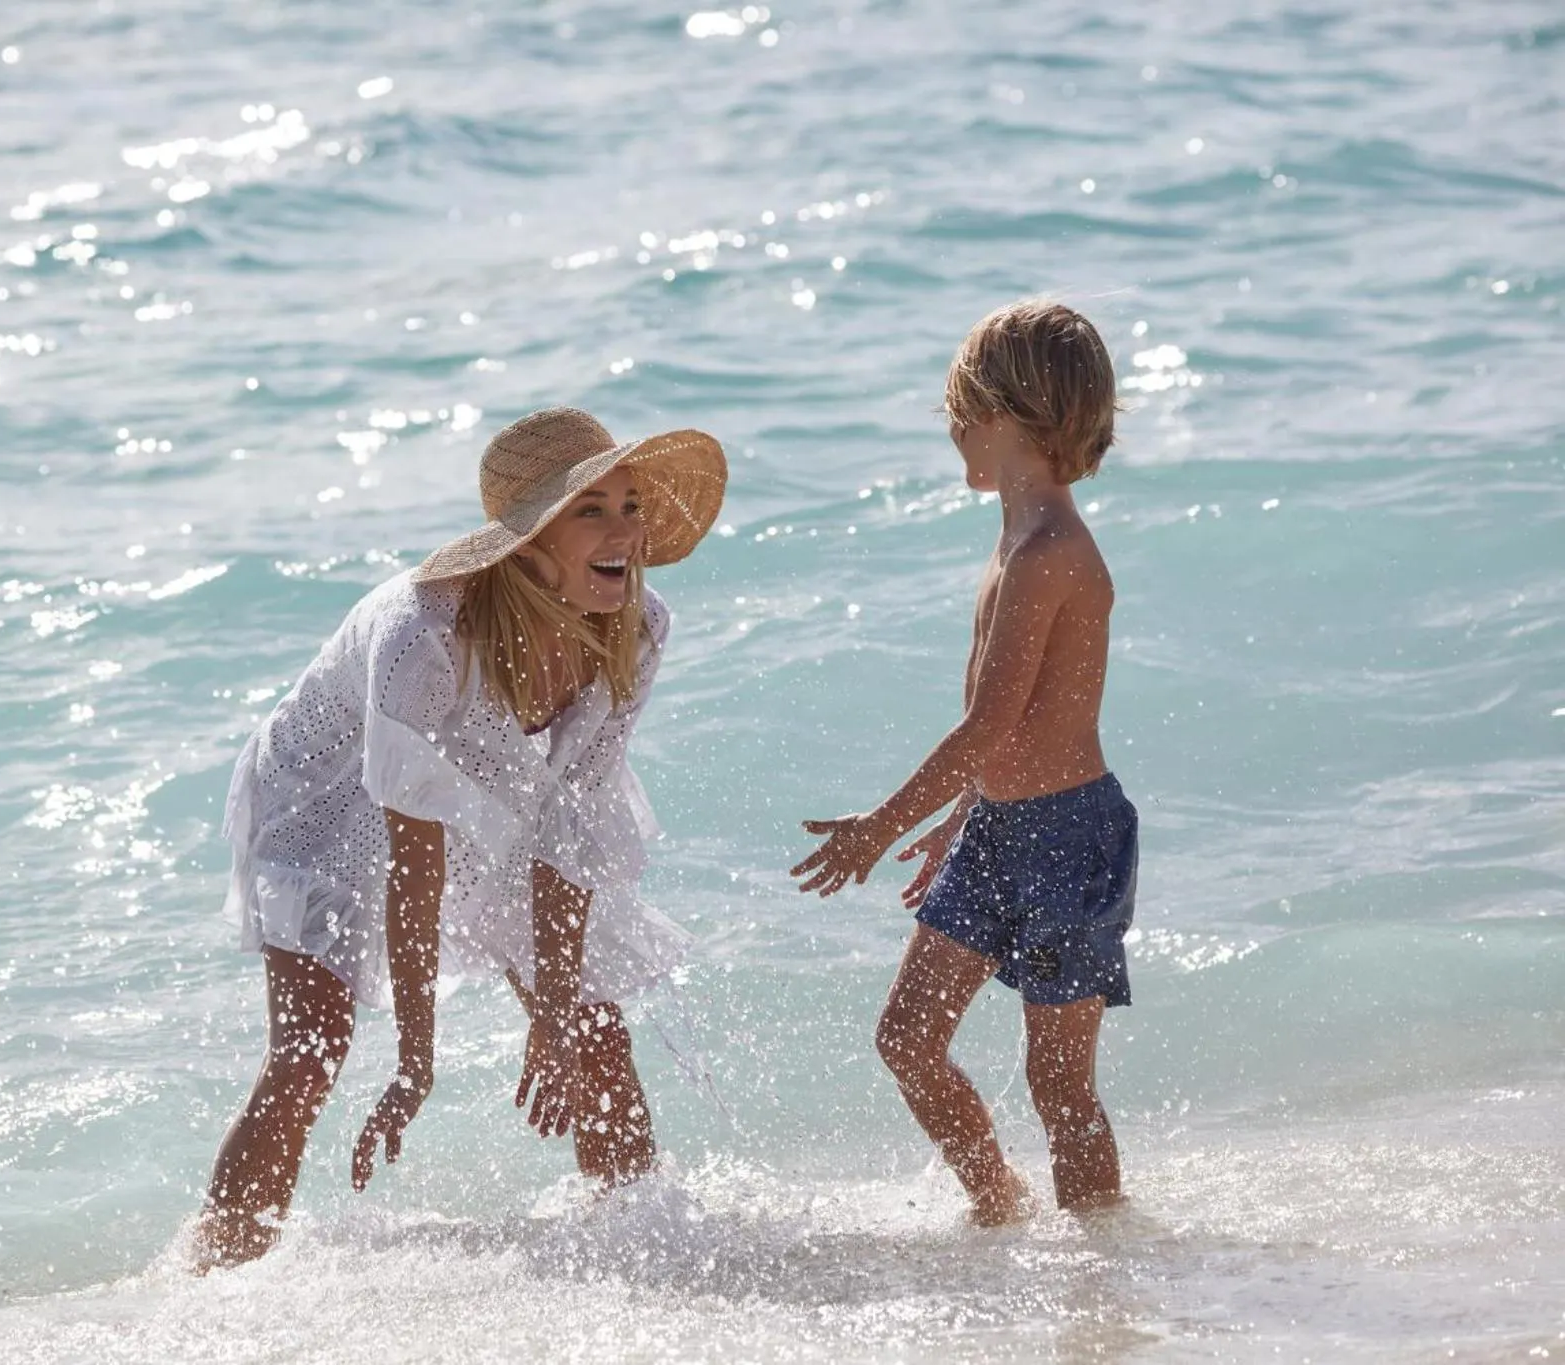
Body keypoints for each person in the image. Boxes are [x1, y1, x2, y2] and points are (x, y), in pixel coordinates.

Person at [197, 406, 726, 1267]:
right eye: (590, 508)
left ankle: (640, 1260)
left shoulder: (636, 625)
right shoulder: (422, 635)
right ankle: (213, 1277)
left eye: (631, 505)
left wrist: (552, 1011)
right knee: (309, 1053)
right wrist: (415, 1064)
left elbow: (571, 829)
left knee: (593, 1033)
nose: (624, 531)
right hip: (325, 801)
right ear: (527, 538)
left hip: (489, 791)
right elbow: (417, 867)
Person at [791, 300, 1138, 1225]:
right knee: (907, 1037)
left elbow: (987, 724)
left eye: (958, 412)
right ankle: (1001, 1205)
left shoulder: (1051, 554)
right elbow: (1010, 733)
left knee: (1058, 1084)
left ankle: (1103, 1262)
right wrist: (964, 816)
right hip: (998, 822)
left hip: (1067, 831)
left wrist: (880, 825)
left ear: (1006, 415)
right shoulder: (1014, 540)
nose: (950, 432)